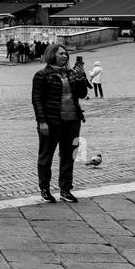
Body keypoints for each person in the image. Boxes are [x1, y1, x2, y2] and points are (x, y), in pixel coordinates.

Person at [32, 43, 87, 204]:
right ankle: (45, 189)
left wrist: (81, 79)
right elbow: (37, 100)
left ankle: (65, 189)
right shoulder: (42, 75)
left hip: (72, 121)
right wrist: (42, 121)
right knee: (46, 156)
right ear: (52, 55)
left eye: (66, 54)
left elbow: (82, 94)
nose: (65, 56)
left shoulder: (71, 74)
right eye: (61, 53)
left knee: (69, 156)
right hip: (51, 122)